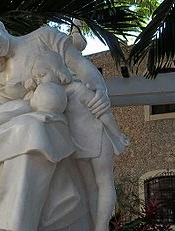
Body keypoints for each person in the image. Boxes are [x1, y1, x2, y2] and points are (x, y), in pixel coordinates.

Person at [0, 14, 113, 231]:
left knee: (29, 131)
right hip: (19, 121)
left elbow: (81, 65)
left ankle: (17, 222)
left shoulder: (43, 37)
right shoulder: (2, 74)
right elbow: (3, 108)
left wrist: (100, 89)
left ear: (0, 27)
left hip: (52, 118)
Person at [28, 51, 129, 231]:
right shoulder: (51, 97)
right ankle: (93, 223)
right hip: (78, 146)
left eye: (42, 75)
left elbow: (102, 112)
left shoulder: (79, 89)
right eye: (36, 78)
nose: (39, 81)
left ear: (57, 70)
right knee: (90, 187)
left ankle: (102, 226)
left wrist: (117, 133)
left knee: (104, 181)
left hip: (98, 138)